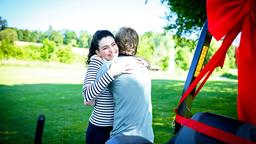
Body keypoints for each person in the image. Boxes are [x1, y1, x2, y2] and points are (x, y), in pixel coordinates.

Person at [96, 27, 154, 144]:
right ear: (136, 45)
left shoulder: (110, 65)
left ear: (117, 43)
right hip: (147, 138)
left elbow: (93, 94)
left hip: (122, 137)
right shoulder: (143, 65)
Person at [82, 30, 130, 144]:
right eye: (105, 48)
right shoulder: (96, 62)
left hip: (117, 128)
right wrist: (110, 74)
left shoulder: (116, 62)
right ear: (98, 52)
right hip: (99, 129)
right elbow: (87, 98)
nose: (112, 50)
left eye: (113, 44)